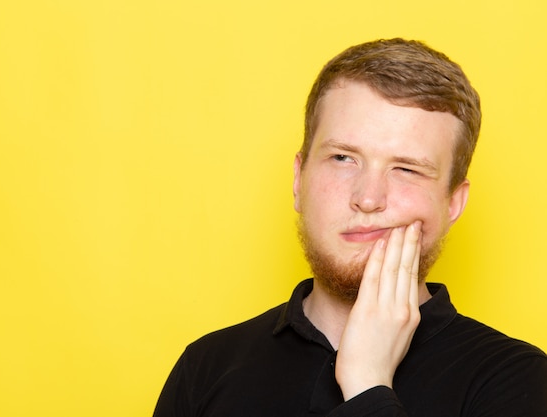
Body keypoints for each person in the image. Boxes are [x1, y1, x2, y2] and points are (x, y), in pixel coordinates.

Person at [153, 38, 547, 416]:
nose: (369, 198)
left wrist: (367, 385)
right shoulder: (205, 367)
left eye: (406, 169)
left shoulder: (517, 380)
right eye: (343, 158)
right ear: (298, 180)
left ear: (453, 203)